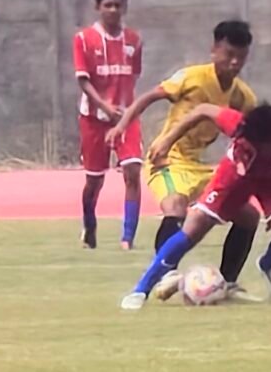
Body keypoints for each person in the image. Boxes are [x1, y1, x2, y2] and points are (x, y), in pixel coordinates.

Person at [120, 103, 271, 310]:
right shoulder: (240, 126)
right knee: (195, 226)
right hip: (235, 177)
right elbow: (202, 109)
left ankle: (267, 265)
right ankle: (141, 290)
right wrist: (167, 140)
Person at [106, 20, 261, 299]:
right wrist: (121, 126)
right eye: (229, 54)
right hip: (167, 159)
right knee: (175, 205)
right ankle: (166, 275)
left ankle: (228, 283)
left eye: (241, 57)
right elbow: (149, 98)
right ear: (214, 50)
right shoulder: (192, 77)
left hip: (199, 167)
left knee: (249, 216)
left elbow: (256, 131)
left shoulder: (241, 95)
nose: (234, 62)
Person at [73, 0, 143, 250]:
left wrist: (124, 108)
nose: (113, 10)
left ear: (125, 6)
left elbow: (133, 74)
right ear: (98, 7)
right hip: (93, 119)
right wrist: (104, 106)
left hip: (126, 117)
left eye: (118, 5)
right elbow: (83, 80)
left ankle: (128, 238)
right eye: (108, 5)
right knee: (94, 180)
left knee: (132, 171)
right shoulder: (83, 39)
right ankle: (89, 225)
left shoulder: (134, 40)